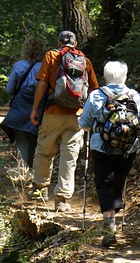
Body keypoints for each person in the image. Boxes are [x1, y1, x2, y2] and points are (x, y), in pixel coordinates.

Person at [78, 60, 140, 245]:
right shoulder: (135, 96)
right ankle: (113, 216)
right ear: (125, 77)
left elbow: (84, 124)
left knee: (104, 182)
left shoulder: (96, 95)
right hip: (128, 148)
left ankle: (109, 224)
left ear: (105, 77)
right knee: (118, 180)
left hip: (100, 147)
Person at [30, 30, 99, 212]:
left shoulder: (52, 55)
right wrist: (88, 114)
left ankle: (41, 189)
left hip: (53, 112)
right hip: (76, 116)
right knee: (69, 156)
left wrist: (35, 109)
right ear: (75, 44)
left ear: (59, 42)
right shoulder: (86, 61)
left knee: (45, 150)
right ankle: (62, 199)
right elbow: (94, 90)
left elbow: (42, 84)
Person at [3, 36, 47, 173]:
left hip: (20, 109)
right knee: (35, 141)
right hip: (39, 109)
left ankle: (22, 171)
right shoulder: (45, 67)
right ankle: (36, 172)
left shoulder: (19, 66)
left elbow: (10, 90)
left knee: (22, 141)